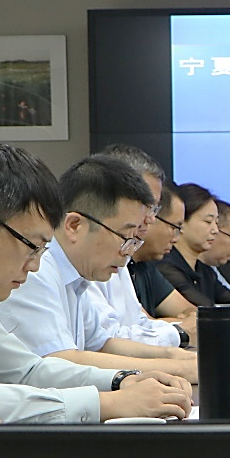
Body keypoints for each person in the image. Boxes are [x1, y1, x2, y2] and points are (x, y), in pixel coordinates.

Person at [0, 144, 192, 423]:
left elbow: (28, 370)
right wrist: (107, 403)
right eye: (32, 247)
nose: (34, 265)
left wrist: (120, 381)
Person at [0, 155, 198, 381]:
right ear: (74, 225)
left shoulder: (77, 275)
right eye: (125, 237)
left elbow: (102, 344)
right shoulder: (35, 270)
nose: (128, 251)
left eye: (134, 240)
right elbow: (60, 361)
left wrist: (173, 356)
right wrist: (178, 369)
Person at [92, 144, 194, 348]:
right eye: (146, 206)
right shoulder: (86, 257)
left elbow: (138, 323)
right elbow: (105, 341)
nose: (150, 218)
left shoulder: (121, 254)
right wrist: (180, 334)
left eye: (154, 208)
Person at [157, 184, 230, 326]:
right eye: (208, 222)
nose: (215, 230)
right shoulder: (164, 266)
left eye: (216, 223)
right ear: (181, 222)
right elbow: (206, 311)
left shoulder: (205, 271)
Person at [129, 183, 203, 321]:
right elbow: (138, 325)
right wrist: (180, 323)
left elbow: (189, 311)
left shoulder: (146, 267)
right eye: (174, 227)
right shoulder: (114, 266)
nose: (175, 239)